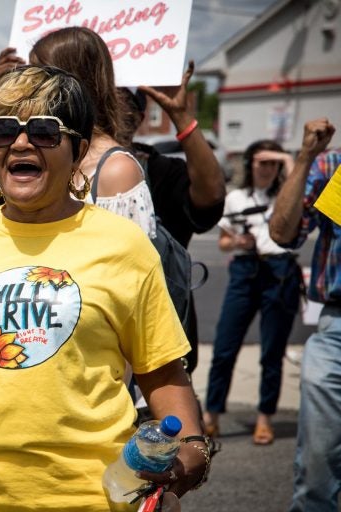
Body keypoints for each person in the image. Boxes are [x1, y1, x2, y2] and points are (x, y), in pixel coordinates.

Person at [0, 66, 209, 512]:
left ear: (77, 149)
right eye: (4, 131)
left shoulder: (123, 245)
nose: (21, 143)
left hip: (92, 499)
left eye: (43, 131)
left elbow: (162, 372)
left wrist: (193, 448)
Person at [0, 27, 156, 238]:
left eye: (41, 72)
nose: (31, 81)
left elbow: (125, 260)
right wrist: (3, 92)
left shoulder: (117, 170)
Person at [118, 66, 227, 374]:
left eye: (121, 105)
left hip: (160, 347)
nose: (108, 114)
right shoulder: (64, 175)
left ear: (138, 117)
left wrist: (180, 116)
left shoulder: (161, 172)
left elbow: (210, 200)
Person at [203, 140, 301, 445]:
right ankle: (212, 415)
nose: (268, 169)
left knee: (272, 352)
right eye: (262, 162)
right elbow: (223, 242)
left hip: (281, 271)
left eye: (274, 163)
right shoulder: (236, 198)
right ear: (250, 164)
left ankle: (264, 418)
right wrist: (238, 243)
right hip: (245, 271)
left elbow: (301, 195)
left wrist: (287, 159)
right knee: (224, 347)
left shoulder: (288, 195)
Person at [268, 117, 339, 511]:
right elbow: (283, 232)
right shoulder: (332, 168)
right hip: (336, 329)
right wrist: (306, 157)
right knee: (317, 469)